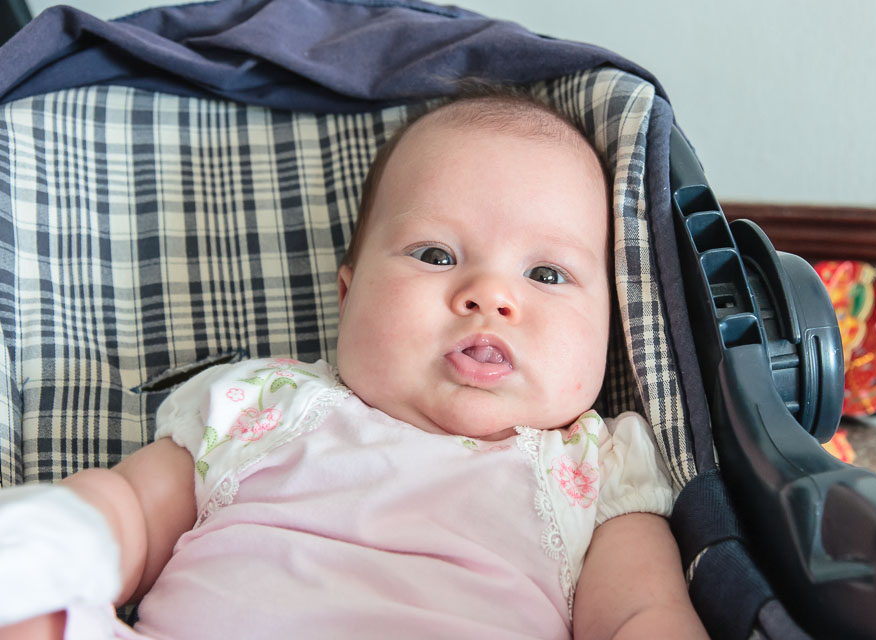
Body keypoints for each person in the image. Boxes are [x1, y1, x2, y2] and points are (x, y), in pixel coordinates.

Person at [0, 90, 707, 639]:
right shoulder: (263, 403)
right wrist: (50, 543)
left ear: (611, 331)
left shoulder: (598, 469)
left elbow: (640, 616)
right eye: (436, 255)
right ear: (349, 297)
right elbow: (128, 509)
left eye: (547, 274)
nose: (489, 296)